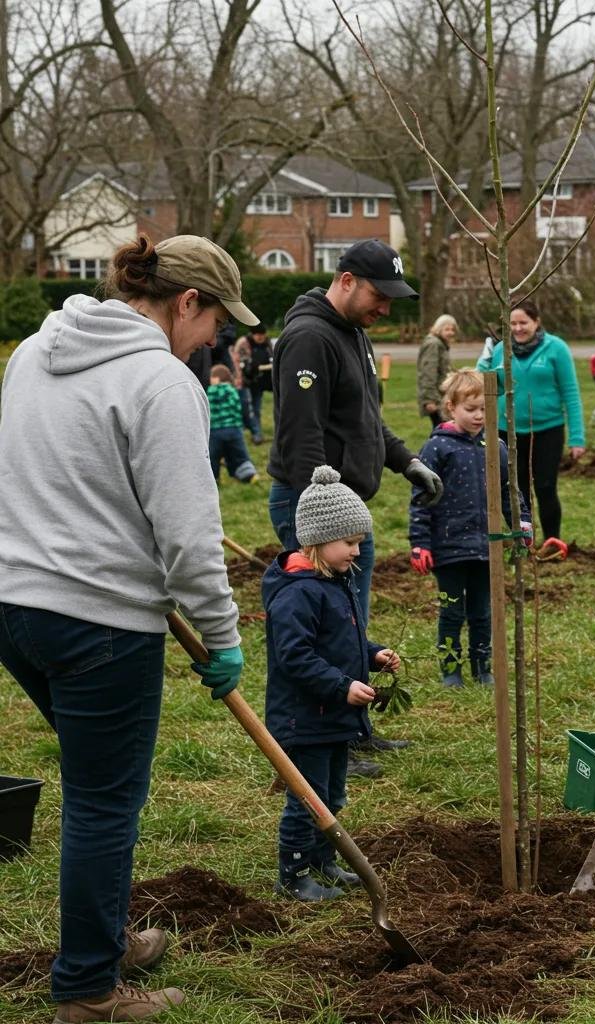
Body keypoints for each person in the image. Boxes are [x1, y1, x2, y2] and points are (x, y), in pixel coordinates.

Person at [0, 233, 256, 1021]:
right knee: (105, 802)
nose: (217, 338)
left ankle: (104, 936)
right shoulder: (160, 381)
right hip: (100, 625)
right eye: (215, 319)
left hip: (15, 609)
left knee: (97, 788)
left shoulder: (35, 352)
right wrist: (223, 633)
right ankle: (89, 991)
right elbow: (186, 536)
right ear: (185, 302)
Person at [266, 238, 442, 775]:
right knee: (320, 632)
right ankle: (321, 744)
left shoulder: (353, 334)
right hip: (315, 511)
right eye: (378, 295)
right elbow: (303, 435)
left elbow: (362, 419)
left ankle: (354, 731)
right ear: (345, 280)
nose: (385, 308)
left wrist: (404, 460)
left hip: (345, 516)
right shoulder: (308, 339)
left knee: (348, 625)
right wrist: (322, 516)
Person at [263, 466, 401, 902]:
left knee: (333, 796)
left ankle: (323, 862)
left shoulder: (333, 581)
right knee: (308, 800)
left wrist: (372, 654)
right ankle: (294, 875)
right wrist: (342, 685)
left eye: (360, 541)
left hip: (333, 716)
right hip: (303, 718)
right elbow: (295, 657)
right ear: (317, 540)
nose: (357, 551)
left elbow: (342, 640)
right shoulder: (297, 594)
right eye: (350, 542)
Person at [408, 370, 531, 687]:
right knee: (451, 612)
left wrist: (521, 523)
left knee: (482, 612)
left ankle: (483, 667)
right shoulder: (437, 448)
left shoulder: (496, 446)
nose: (479, 416)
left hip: (486, 546)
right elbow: (421, 498)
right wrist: (420, 543)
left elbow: (508, 491)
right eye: (471, 409)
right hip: (448, 548)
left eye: (485, 409)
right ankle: (451, 669)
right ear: (451, 407)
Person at [476, 298, 585, 544]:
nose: (518, 329)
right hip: (508, 431)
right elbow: (481, 382)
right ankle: (523, 543)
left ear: (536, 322)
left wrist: (577, 437)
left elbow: (571, 393)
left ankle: (552, 541)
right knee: (516, 492)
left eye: (523, 322)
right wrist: (485, 358)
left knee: (546, 487)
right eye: (512, 323)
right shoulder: (500, 349)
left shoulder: (556, 348)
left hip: (547, 430)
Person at [207, 363, 258, 484]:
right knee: (240, 454)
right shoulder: (233, 390)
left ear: (217, 378)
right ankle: (248, 474)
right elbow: (239, 407)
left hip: (215, 432)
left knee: (213, 457)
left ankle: (213, 479)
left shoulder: (209, 391)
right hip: (234, 429)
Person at [417, 314, 457, 427]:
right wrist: (430, 400)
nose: (451, 332)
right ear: (439, 328)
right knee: (442, 429)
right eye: (447, 329)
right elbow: (428, 372)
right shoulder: (433, 344)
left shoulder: (441, 343)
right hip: (436, 397)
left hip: (441, 395)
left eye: (453, 329)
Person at [236, 323, 273, 443]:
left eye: (263, 335)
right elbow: (240, 362)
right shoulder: (243, 343)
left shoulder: (267, 342)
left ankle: (256, 434)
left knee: (256, 408)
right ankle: (249, 432)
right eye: (258, 335)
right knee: (246, 408)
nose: (261, 337)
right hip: (244, 381)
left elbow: (273, 356)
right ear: (253, 334)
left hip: (259, 381)